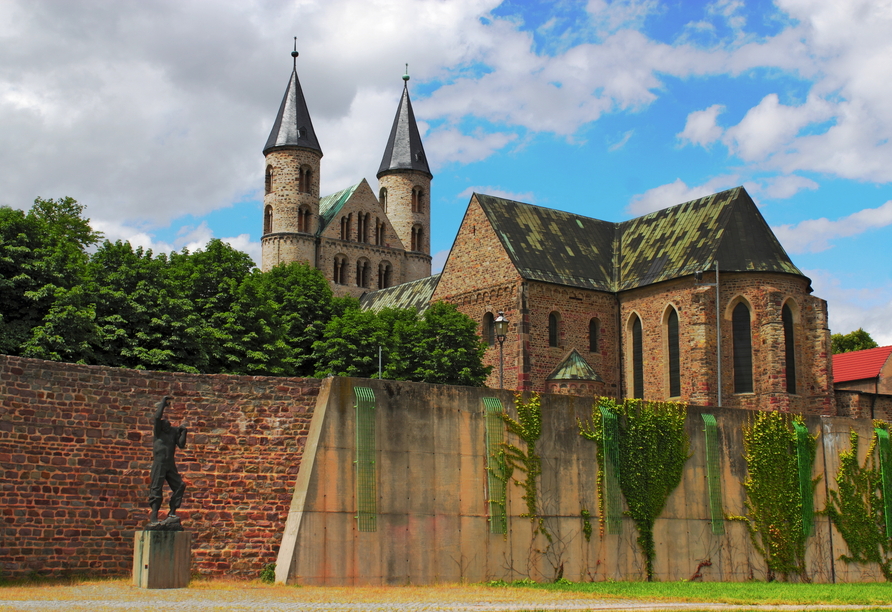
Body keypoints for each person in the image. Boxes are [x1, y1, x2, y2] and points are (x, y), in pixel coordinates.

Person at [148, 396, 188, 528]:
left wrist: (184, 433)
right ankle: (154, 515)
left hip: (170, 465)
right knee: (156, 489)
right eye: (164, 425)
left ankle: (172, 512)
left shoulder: (172, 433)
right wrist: (163, 404)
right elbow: (157, 418)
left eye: (168, 425)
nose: (166, 427)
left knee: (180, 486)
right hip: (159, 464)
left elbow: (181, 445)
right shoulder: (158, 433)